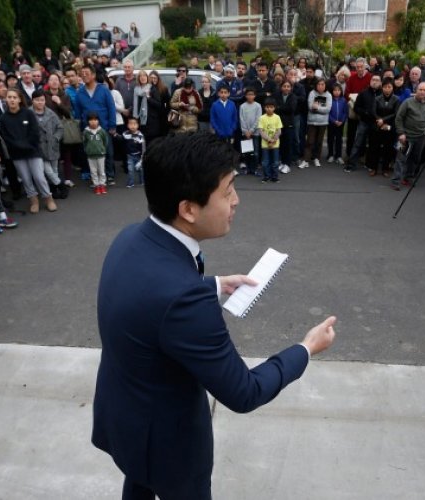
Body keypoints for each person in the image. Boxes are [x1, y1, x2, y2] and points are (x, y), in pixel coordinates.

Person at [91, 131, 336, 498]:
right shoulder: (184, 300)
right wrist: (305, 349)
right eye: (228, 191)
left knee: (138, 483)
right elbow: (243, 392)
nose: (236, 201)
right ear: (188, 209)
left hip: (123, 415)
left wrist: (214, 284)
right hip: (169, 444)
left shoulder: (130, 238)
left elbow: (151, 296)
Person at [0, 88, 56, 213]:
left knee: (39, 177)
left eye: (15, 97)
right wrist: (19, 146)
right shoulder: (3, 118)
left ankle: (48, 198)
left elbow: (34, 133)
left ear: (19, 99)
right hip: (17, 154)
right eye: (9, 97)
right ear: (6, 100)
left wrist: (26, 145)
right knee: (26, 178)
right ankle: (33, 200)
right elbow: (6, 137)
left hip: (33, 151)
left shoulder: (28, 113)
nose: (12, 100)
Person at [391, 82, 425, 190]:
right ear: (416, 90)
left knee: (415, 158)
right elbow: (399, 118)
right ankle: (396, 181)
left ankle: (408, 177)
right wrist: (401, 133)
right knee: (401, 158)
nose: (422, 92)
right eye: (420, 89)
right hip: (406, 136)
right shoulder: (407, 102)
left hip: (421, 137)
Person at [299, 78, 331, 169]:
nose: (321, 86)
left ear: (325, 86)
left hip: (323, 122)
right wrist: (320, 108)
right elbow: (310, 107)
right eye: (319, 84)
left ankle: (316, 158)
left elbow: (328, 109)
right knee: (310, 141)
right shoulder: (312, 93)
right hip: (312, 121)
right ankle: (305, 160)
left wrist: (317, 108)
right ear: (316, 85)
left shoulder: (328, 95)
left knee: (319, 142)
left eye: (323, 84)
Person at [83, 111, 109, 195]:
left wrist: (102, 149)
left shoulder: (102, 131)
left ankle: (102, 185)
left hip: (101, 154)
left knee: (101, 171)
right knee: (93, 171)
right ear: (88, 121)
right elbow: (84, 142)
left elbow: (105, 141)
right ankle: (96, 185)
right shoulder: (86, 132)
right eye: (91, 120)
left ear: (98, 121)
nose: (93, 122)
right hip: (90, 155)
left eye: (95, 119)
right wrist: (87, 150)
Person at [115, 116, 144, 188]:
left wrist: (142, 158)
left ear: (138, 125)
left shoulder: (140, 135)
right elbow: (121, 139)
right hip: (130, 155)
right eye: (130, 124)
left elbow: (143, 148)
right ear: (127, 125)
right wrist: (116, 135)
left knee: (141, 170)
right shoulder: (126, 133)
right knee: (130, 170)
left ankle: (142, 181)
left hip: (139, 156)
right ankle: (131, 183)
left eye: (134, 124)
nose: (132, 126)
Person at [258, 97, 282, 183]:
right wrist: (268, 140)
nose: (269, 109)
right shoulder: (262, 118)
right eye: (267, 107)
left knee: (275, 162)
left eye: (271, 107)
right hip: (265, 144)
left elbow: (279, 130)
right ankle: (266, 176)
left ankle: (275, 176)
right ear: (264, 108)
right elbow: (261, 131)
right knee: (265, 162)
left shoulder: (277, 117)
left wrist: (274, 140)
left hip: (275, 144)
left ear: (274, 108)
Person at [326, 83, 348, 165]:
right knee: (330, 139)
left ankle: (338, 156)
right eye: (335, 90)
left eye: (338, 90)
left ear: (341, 91)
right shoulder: (329, 99)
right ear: (332, 91)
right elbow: (328, 112)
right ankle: (330, 154)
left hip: (340, 124)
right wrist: (333, 121)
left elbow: (345, 112)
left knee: (339, 140)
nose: (337, 92)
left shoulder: (343, 100)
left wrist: (342, 121)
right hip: (331, 123)